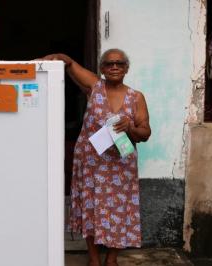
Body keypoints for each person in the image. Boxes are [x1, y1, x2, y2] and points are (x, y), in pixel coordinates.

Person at [43, 49, 151, 266]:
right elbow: (70, 63)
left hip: (121, 166)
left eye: (119, 64)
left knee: (119, 211)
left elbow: (145, 133)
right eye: (109, 64)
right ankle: (93, 259)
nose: (114, 67)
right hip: (92, 164)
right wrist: (53, 60)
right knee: (91, 209)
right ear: (102, 69)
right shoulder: (95, 87)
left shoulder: (136, 97)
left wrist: (130, 127)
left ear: (126, 69)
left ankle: (111, 259)